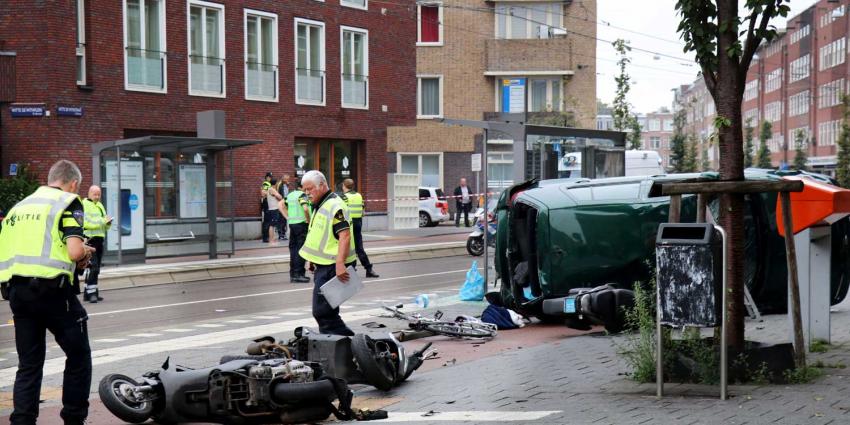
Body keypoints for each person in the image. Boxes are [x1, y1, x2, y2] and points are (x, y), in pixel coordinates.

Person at [0, 160, 95, 425]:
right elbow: (75, 251)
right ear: (73, 183)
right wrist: (86, 252)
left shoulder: (18, 208)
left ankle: (22, 420)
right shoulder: (68, 202)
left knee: (29, 364)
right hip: (52, 292)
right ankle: (74, 418)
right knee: (78, 355)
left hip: (17, 293)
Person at [299, 170, 356, 336]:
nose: (307, 193)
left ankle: (349, 344)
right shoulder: (322, 204)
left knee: (323, 312)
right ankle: (334, 346)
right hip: (324, 265)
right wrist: (312, 260)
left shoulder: (335, 206)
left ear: (322, 186)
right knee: (326, 313)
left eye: (310, 189)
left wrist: (340, 264)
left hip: (333, 266)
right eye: (304, 190)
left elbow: (345, 236)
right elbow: (320, 235)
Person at [340, 179, 379, 278]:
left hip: (348, 224)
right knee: (359, 248)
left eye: (343, 186)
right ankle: (368, 269)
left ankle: (350, 269)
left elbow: (341, 211)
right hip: (358, 223)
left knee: (347, 248)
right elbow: (363, 212)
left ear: (345, 186)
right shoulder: (359, 195)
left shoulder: (344, 197)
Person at [82, 185, 111, 303]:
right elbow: (85, 223)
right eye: (95, 194)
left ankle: (88, 292)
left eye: (99, 194)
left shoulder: (100, 205)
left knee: (96, 268)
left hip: (99, 239)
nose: (97, 196)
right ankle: (92, 293)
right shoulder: (84, 205)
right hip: (89, 239)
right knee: (92, 267)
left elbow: (105, 224)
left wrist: (108, 223)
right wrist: (102, 222)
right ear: (89, 194)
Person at [279, 180, 311, 283]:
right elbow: (305, 209)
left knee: (293, 250)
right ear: (303, 187)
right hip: (302, 224)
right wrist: (308, 219)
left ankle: (293, 274)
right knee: (301, 250)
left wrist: (287, 217)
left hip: (292, 224)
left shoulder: (290, 195)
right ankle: (299, 274)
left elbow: (280, 205)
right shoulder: (302, 195)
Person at [269, 174, 291, 241]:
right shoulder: (279, 185)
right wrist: (281, 203)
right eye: (287, 179)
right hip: (281, 204)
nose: (288, 180)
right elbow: (278, 195)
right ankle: (281, 235)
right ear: (283, 179)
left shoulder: (286, 185)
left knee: (283, 220)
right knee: (281, 220)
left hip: (285, 204)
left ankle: (283, 234)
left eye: (288, 179)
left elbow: (286, 194)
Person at [260, 172, 273, 242]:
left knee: (267, 220)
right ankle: (265, 238)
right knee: (267, 220)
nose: (271, 178)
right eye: (270, 177)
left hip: (268, 202)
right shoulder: (266, 183)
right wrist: (270, 193)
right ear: (267, 177)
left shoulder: (267, 183)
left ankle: (266, 237)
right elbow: (263, 192)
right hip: (266, 203)